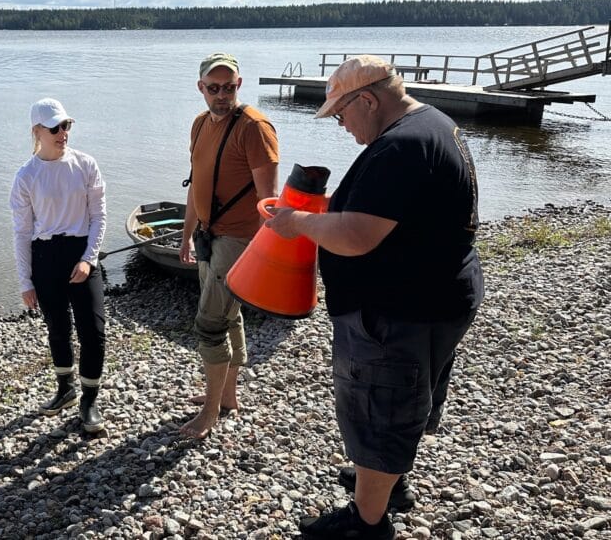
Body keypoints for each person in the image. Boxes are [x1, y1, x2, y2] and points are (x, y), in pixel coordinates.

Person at [265, 55, 484, 539]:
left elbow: (359, 235)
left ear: (367, 99)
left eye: (342, 114)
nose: (341, 125)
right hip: (438, 294)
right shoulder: (433, 124)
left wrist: (296, 222)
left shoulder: (401, 147)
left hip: (399, 311)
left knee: (381, 411)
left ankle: (367, 522)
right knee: (407, 401)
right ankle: (388, 482)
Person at [178, 53, 279, 440]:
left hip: (237, 240)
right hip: (208, 235)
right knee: (228, 317)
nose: (222, 95)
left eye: (230, 87)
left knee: (209, 324)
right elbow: (196, 186)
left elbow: (269, 201)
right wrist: (187, 233)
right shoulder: (201, 124)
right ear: (201, 88)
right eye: (214, 87)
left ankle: (209, 412)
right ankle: (227, 397)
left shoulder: (254, 128)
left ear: (240, 84)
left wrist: (266, 257)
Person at [9, 98, 108, 433]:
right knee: (57, 328)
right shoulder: (26, 176)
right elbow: (22, 232)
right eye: (54, 128)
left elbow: (98, 216)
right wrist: (25, 281)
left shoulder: (85, 164)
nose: (62, 133)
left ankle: (89, 401)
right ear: (37, 131)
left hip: (81, 252)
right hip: (45, 257)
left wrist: (88, 258)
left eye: (66, 125)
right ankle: (65, 389)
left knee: (93, 331)